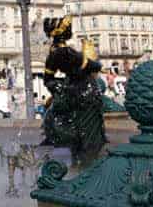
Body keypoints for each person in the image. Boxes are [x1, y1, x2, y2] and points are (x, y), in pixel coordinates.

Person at [38, 15, 106, 167]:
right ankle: (87, 165)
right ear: (61, 32)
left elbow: (47, 79)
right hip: (85, 92)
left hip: (73, 90)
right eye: (68, 28)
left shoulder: (53, 52)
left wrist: (61, 88)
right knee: (90, 133)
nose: (71, 30)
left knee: (77, 131)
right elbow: (93, 65)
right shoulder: (66, 52)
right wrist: (93, 60)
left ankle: (78, 160)